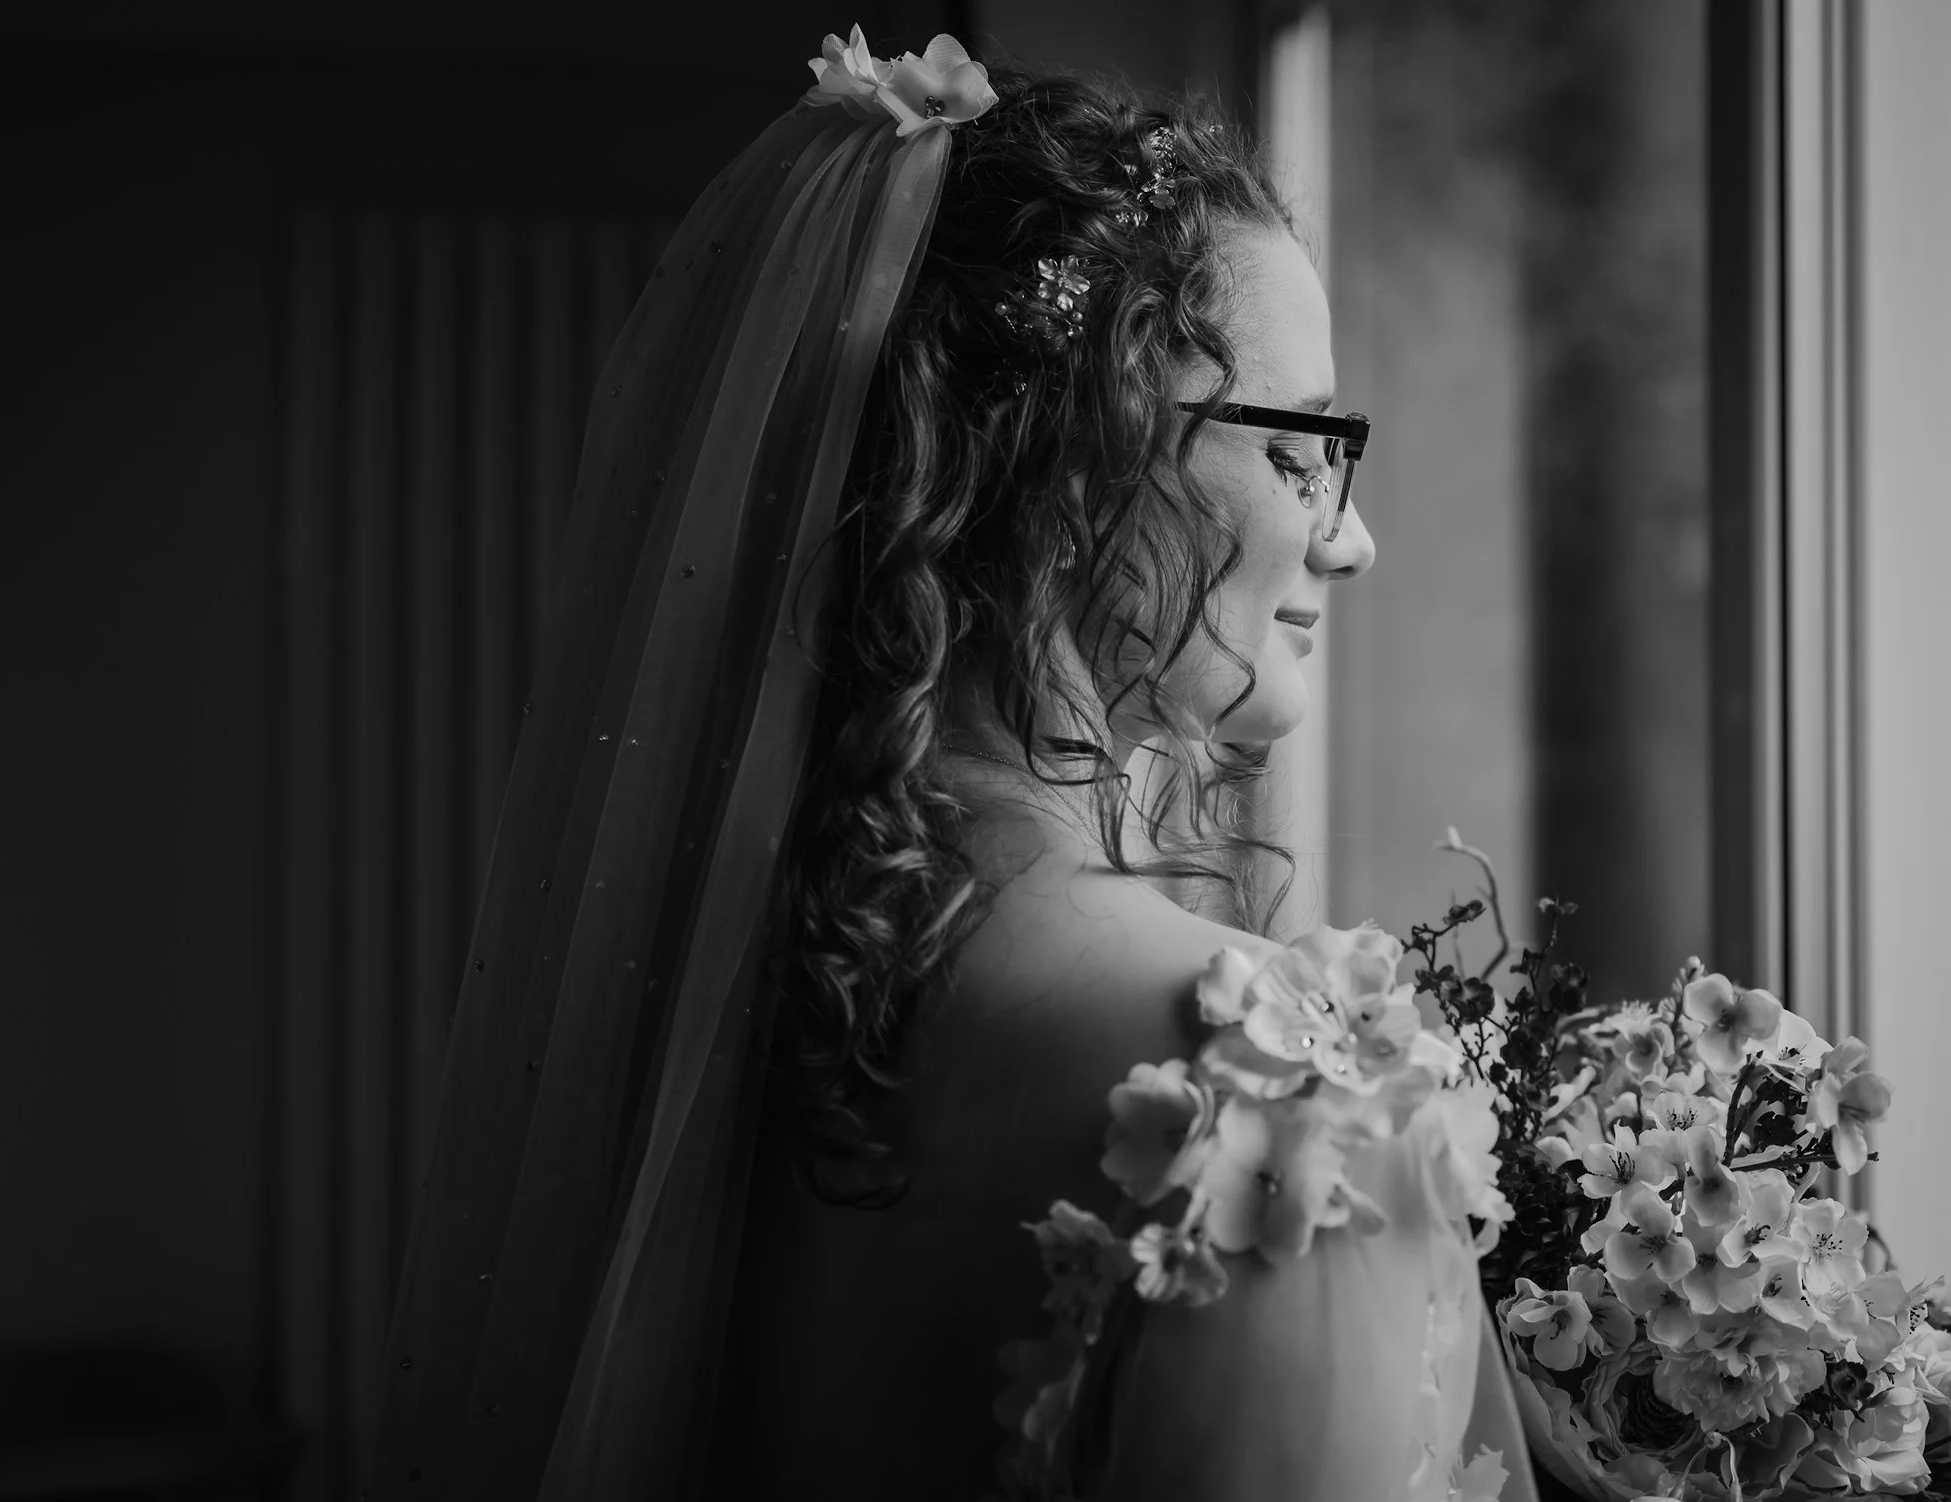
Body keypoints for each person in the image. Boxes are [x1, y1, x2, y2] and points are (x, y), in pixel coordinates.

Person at [365, 28, 1537, 1502]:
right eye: (1302, 447)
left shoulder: (739, 1013)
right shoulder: (1285, 1098)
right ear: (1076, 457)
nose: (1349, 538)